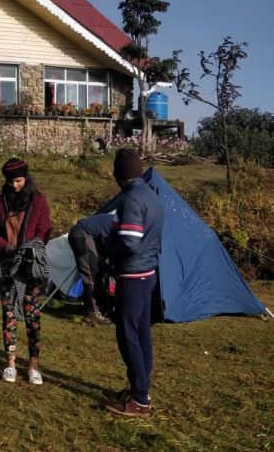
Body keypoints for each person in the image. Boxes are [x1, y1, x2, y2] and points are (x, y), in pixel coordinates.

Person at [103, 149, 163, 417]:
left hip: (131, 276)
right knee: (142, 334)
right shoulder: (152, 195)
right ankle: (141, 389)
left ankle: (139, 400)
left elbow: (129, 241)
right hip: (149, 274)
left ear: (118, 174)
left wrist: (108, 259)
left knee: (128, 336)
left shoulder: (131, 200)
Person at [0, 158, 52, 385]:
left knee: (32, 316)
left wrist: (30, 248)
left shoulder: (39, 202)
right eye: (11, 181)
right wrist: (6, 247)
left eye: (19, 181)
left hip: (30, 267)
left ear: (27, 178)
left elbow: (44, 230)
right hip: (7, 267)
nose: (15, 186)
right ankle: (11, 363)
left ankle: (33, 364)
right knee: (9, 315)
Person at [68, 213, 115, 325]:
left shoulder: (119, 220)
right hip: (81, 234)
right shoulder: (121, 223)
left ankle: (97, 306)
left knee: (97, 271)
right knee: (90, 273)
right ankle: (94, 312)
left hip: (86, 234)